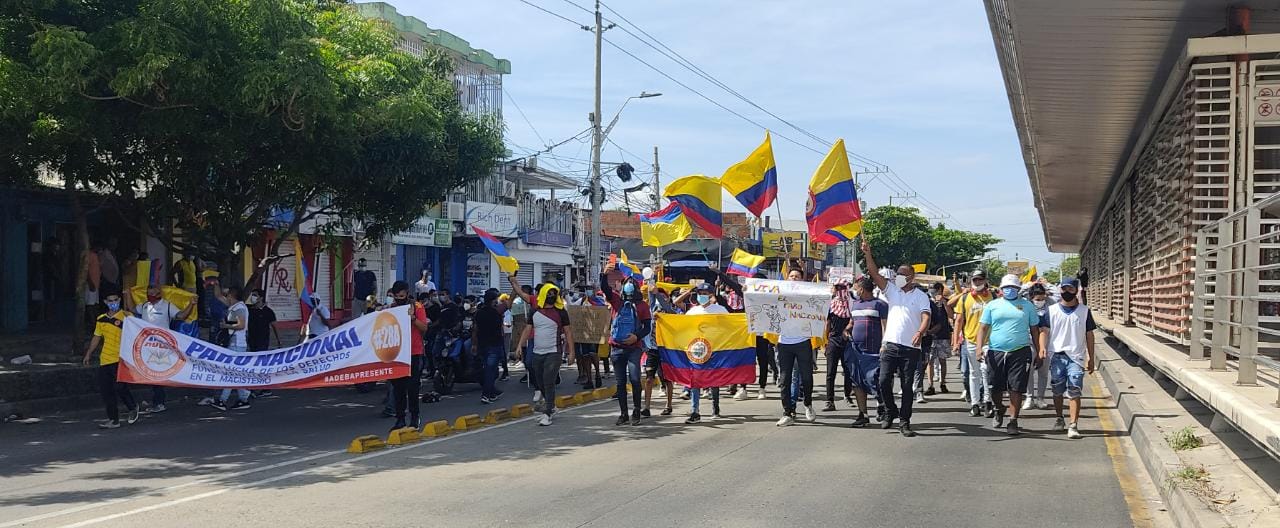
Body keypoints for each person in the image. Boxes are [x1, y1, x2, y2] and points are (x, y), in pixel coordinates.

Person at [860, 238, 930, 438]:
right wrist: (868, 253)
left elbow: (926, 316)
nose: (899, 277)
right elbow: (873, 273)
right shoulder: (892, 291)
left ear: (912, 276)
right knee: (883, 381)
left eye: (903, 274)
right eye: (897, 273)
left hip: (910, 347)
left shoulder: (920, 296)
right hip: (890, 345)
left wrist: (920, 332)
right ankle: (890, 411)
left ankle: (905, 421)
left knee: (907, 386)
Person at [976, 274, 1041, 436]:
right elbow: (983, 328)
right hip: (995, 351)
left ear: (1018, 289)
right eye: (1006, 288)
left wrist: (1039, 351)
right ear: (1001, 289)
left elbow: (1034, 330)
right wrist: (978, 348)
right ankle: (999, 408)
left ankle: (1013, 420)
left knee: (1016, 387)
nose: (1009, 290)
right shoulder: (993, 305)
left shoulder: (1027, 306)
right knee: (995, 387)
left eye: (1013, 288)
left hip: (1020, 350)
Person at [510, 274, 575, 426]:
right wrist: (519, 346)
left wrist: (571, 352)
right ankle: (551, 406)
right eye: (550, 293)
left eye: (554, 294)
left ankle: (548, 412)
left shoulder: (561, 312)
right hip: (537, 352)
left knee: (548, 381)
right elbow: (527, 330)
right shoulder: (534, 311)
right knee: (539, 382)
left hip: (554, 352)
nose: (552, 296)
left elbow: (568, 332)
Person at [1039, 278, 1095, 439]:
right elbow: (1044, 331)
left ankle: (1073, 424)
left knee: (1074, 390)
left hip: (1076, 357)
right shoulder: (1052, 310)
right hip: (1057, 356)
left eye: (1070, 289)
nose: (1067, 292)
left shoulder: (1084, 311)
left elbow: (1089, 335)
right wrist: (1042, 347)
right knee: (1057, 391)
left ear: (1076, 290)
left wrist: (1091, 357)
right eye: (1064, 289)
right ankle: (1059, 418)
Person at [127, 285, 196, 412]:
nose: (150, 294)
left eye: (153, 292)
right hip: (146, 346)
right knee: (149, 374)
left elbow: (181, 316)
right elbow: (131, 308)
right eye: (149, 292)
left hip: (161, 347)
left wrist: (191, 305)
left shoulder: (167, 305)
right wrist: (127, 293)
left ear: (159, 293)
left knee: (156, 374)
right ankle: (155, 401)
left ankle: (159, 403)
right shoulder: (145, 306)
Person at [601, 261, 653, 426]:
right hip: (616, 348)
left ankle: (636, 410)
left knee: (636, 379)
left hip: (634, 349)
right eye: (626, 283)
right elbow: (605, 288)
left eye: (631, 283)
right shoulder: (617, 301)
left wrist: (636, 337)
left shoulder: (642, 305)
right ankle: (623, 413)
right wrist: (604, 274)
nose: (628, 286)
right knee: (620, 383)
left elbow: (647, 327)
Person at [83, 290, 138, 429]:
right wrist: (89, 353)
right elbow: (97, 337)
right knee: (106, 390)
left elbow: (135, 332)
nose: (113, 303)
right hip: (105, 359)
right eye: (110, 301)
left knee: (120, 387)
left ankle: (132, 407)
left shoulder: (126, 316)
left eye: (115, 300)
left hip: (120, 358)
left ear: (119, 300)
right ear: (106, 303)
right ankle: (113, 419)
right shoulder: (101, 318)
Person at [775, 265, 818, 427]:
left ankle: (808, 404)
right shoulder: (779, 294)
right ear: (787, 279)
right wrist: (748, 290)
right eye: (791, 276)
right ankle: (788, 412)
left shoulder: (807, 294)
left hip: (802, 342)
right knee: (784, 380)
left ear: (802, 280)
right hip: (784, 343)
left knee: (806, 378)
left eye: (797, 276)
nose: (794, 278)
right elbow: (761, 297)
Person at [845, 275, 889, 427]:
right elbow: (852, 322)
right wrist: (847, 330)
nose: (854, 291)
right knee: (857, 382)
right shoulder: (855, 305)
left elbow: (885, 327)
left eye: (856, 289)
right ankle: (863, 414)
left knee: (875, 380)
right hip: (856, 351)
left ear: (862, 289)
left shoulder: (880, 305)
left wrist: (884, 345)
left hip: (874, 351)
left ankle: (882, 406)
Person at [952, 269, 997, 417]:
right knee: (973, 373)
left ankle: (988, 401)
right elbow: (959, 320)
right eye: (975, 280)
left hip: (990, 341)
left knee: (986, 370)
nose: (978, 283)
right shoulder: (965, 298)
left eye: (980, 280)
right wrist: (955, 342)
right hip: (970, 339)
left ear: (985, 280)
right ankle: (975, 403)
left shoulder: (994, 297)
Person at [682, 282, 728, 423]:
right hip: (697, 350)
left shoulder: (720, 310)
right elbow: (683, 327)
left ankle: (715, 408)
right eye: (700, 293)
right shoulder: (692, 312)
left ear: (711, 295)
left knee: (714, 380)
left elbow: (731, 326)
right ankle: (695, 411)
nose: (702, 296)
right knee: (695, 380)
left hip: (715, 349)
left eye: (705, 293)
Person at [386, 281, 429, 430]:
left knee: (412, 388)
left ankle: (414, 417)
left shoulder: (417, 307)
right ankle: (400, 419)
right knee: (398, 388)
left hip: (413, 352)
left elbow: (424, 328)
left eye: (401, 296)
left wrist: (412, 318)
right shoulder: (392, 308)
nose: (399, 299)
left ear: (407, 293)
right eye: (396, 297)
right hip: (396, 354)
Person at [210, 282, 251, 411]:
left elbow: (241, 325)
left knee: (230, 372)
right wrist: (216, 283)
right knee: (236, 373)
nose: (225, 296)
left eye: (227, 295)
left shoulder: (239, 308)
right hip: (234, 343)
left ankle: (223, 400)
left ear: (232, 295)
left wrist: (225, 326)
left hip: (237, 344)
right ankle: (243, 397)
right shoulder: (233, 306)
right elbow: (218, 296)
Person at [643, 287, 676, 417]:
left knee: (667, 379)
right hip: (652, 349)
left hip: (666, 350)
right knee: (649, 378)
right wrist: (651, 286)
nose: (658, 300)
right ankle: (646, 407)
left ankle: (668, 405)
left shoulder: (670, 313)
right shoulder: (651, 311)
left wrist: (658, 295)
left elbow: (667, 308)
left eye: (661, 297)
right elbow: (651, 301)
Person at [823, 280, 855, 412]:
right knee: (831, 372)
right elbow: (827, 323)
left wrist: (847, 329)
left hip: (848, 341)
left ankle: (847, 396)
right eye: (837, 287)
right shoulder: (831, 305)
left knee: (848, 372)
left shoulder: (852, 304)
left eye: (842, 287)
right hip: (833, 340)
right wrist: (825, 342)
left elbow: (854, 320)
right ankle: (829, 400)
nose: (840, 290)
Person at [917, 282, 953, 398]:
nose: (932, 291)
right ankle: (930, 385)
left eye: (935, 289)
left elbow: (951, 316)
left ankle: (942, 383)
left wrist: (944, 303)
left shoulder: (946, 301)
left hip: (943, 335)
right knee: (930, 361)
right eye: (931, 288)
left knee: (942, 360)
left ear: (940, 290)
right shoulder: (926, 300)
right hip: (930, 336)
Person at [1024, 283, 1053, 410]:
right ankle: (1029, 397)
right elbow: (1019, 292)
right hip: (1029, 342)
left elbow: (1057, 293)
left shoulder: (1051, 306)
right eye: (1037, 299)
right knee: (1028, 371)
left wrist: (1047, 284)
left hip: (1047, 343)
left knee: (1043, 371)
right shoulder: (1025, 306)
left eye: (1042, 299)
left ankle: (1040, 398)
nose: (1040, 301)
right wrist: (1028, 285)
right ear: (1031, 298)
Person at [246, 289, 280, 398]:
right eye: (252, 295)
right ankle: (252, 388)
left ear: (261, 297)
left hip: (263, 342)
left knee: (261, 365)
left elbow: (275, 327)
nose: (253, 297)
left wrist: (279, 341)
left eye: (255, 295)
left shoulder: (268, 311)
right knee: (252, 365)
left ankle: (265, 388)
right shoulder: (249, 310)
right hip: (251, 341)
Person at [499, 293, 512, 381]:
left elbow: (508, 321)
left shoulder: (507, 310)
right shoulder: (504, 309)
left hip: (506, 331)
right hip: (504, 330)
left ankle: (505, 371)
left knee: (505, 349)